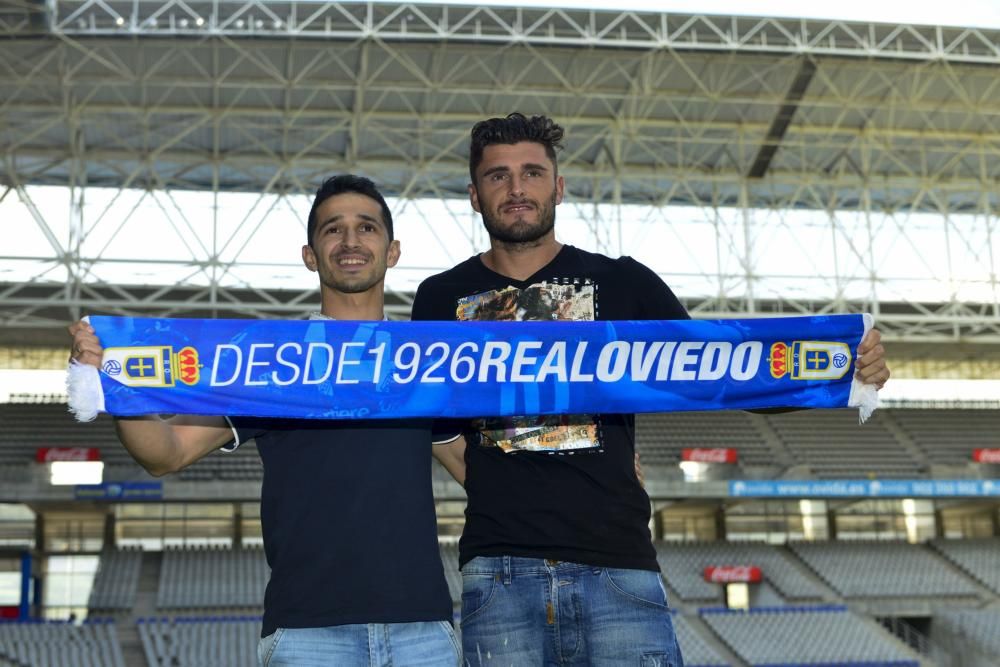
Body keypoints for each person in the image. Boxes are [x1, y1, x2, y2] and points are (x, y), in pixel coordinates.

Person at [412, 113, 891, 665]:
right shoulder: (440, 298)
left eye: (532, 173)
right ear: (474, 195)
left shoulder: (623, 282)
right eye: (498, 176)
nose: (517, 188)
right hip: (499, 574)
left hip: (617, 568)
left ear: (558, 186)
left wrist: (843, 367)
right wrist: (503, 488)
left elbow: (721, 372)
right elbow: (437, 429)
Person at [69, 175, 463, 667]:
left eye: (366, 228)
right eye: (332, 230)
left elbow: (476, 471)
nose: (350, 241)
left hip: (422, 632)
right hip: (306, 636)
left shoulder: (424, 362)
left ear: (392, 250)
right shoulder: (270, 360)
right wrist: (116, 384)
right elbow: (165, 453)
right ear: (310, 254)